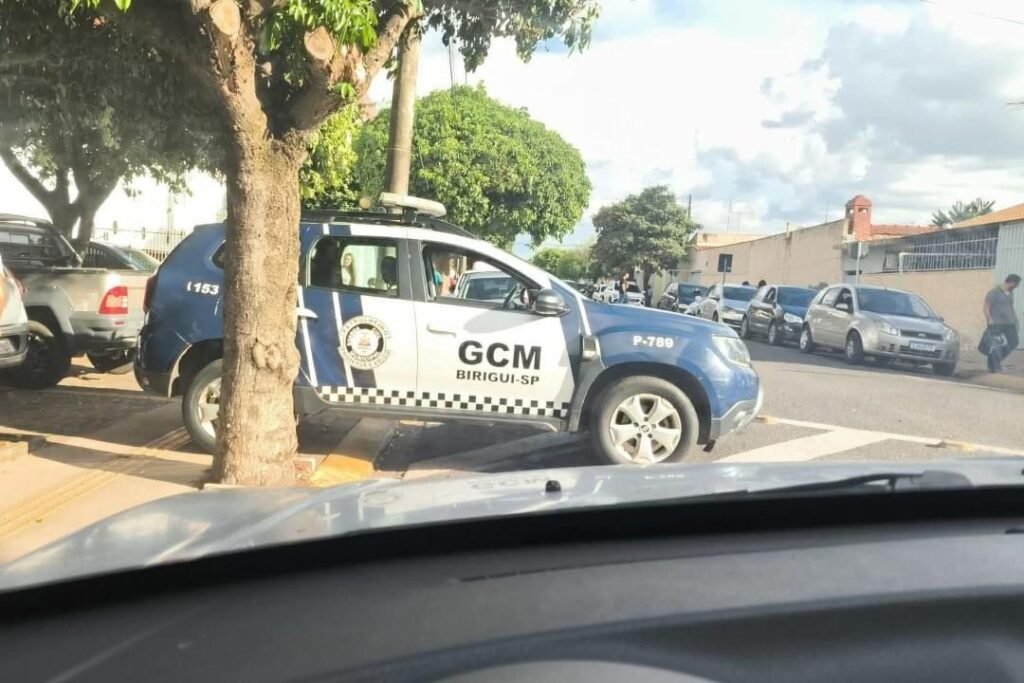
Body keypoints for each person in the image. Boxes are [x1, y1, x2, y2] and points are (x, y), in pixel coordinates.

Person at [982, 273, 1021, 372]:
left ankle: (996, 361)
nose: (1017, 286)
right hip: (996, 323)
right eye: (1017, 284)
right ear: (1011, 282)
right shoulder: (994, 292)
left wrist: (1015, 320)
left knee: (1014, 342)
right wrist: (989, 319)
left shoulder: (1010, 293)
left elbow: (1010, 307)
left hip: (1009, 323)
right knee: (995, 345)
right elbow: (986, 307)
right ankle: (993, 366)